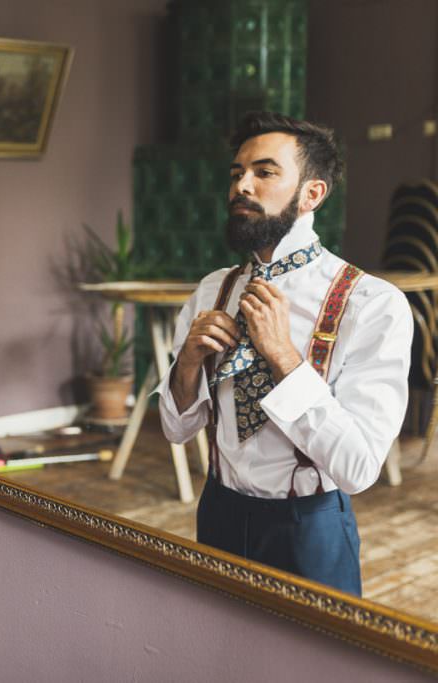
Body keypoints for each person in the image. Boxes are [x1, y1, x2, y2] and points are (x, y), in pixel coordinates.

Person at [156, 111, 412, 596]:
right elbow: (175, 428)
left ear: (312, 193)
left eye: (264, 172)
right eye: (236, 173)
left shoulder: (371, 305)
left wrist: (284, 358)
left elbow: (358, 470)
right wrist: (188, 363)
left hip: (309, 528)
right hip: (218, 515)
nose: (241, 186)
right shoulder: (214, 290)